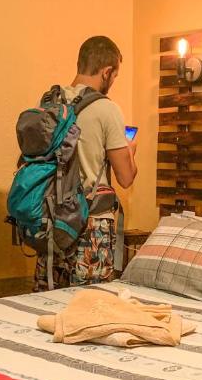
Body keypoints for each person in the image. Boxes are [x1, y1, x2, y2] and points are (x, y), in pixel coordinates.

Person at [33, 35, 137, 291]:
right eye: (114, 76)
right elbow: (126, 177)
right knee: (91, 304)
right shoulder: (106, 109)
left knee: (48, 303)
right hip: (91, 224)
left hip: (52, 222)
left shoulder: (49, 104)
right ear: (107, 71)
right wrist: (131, 150)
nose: (112, 81)